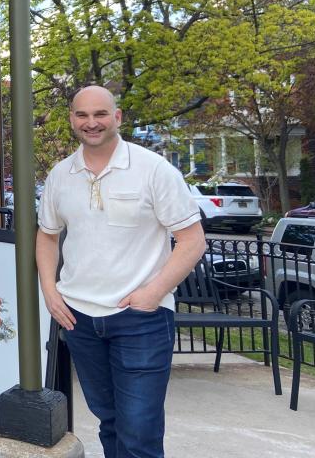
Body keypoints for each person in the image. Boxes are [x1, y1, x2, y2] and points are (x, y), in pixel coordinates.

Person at [35, 86, 206, 458]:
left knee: (139, 431)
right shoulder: (61, 175)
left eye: (100, 114)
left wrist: (151, 294)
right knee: (110, 420)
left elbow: (192, 241)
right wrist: (49, 290)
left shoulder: (153, 169)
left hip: (140, 319)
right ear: (72, 120)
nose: (91, 123)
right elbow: (47, 237)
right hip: (79, 318)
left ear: (118, 117)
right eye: (82, 115)